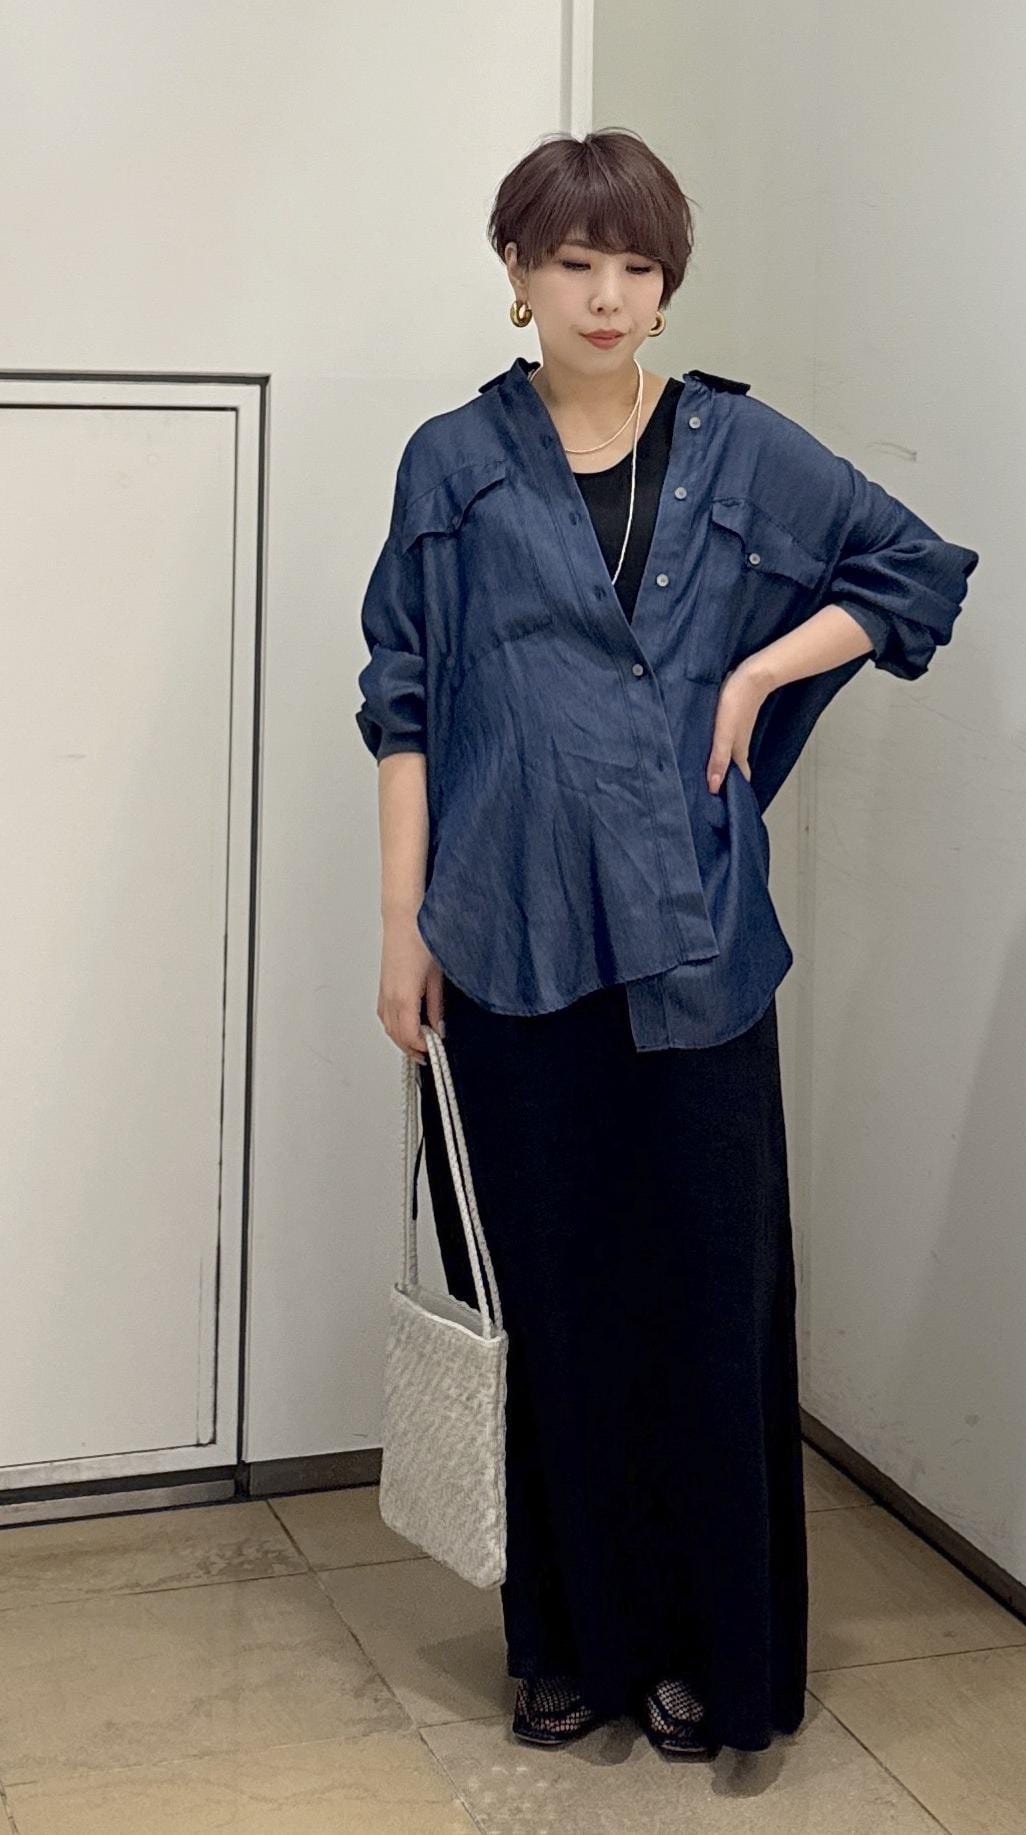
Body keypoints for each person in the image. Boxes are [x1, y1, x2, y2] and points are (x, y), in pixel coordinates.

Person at [356, 127, 980, 1759]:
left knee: (705, 1307)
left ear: (666, 282)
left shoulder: (736, 447)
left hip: (693, 947)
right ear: (517, 274)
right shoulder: (452, 462)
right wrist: (402, 930)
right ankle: (563, 1643)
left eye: (636, 266)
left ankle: (715, 1653)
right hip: (503, 944)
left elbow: (912, 573)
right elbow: (401, 702)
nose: (607, 295)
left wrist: (761, 672)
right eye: (574, 262)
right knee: (547, 1308)